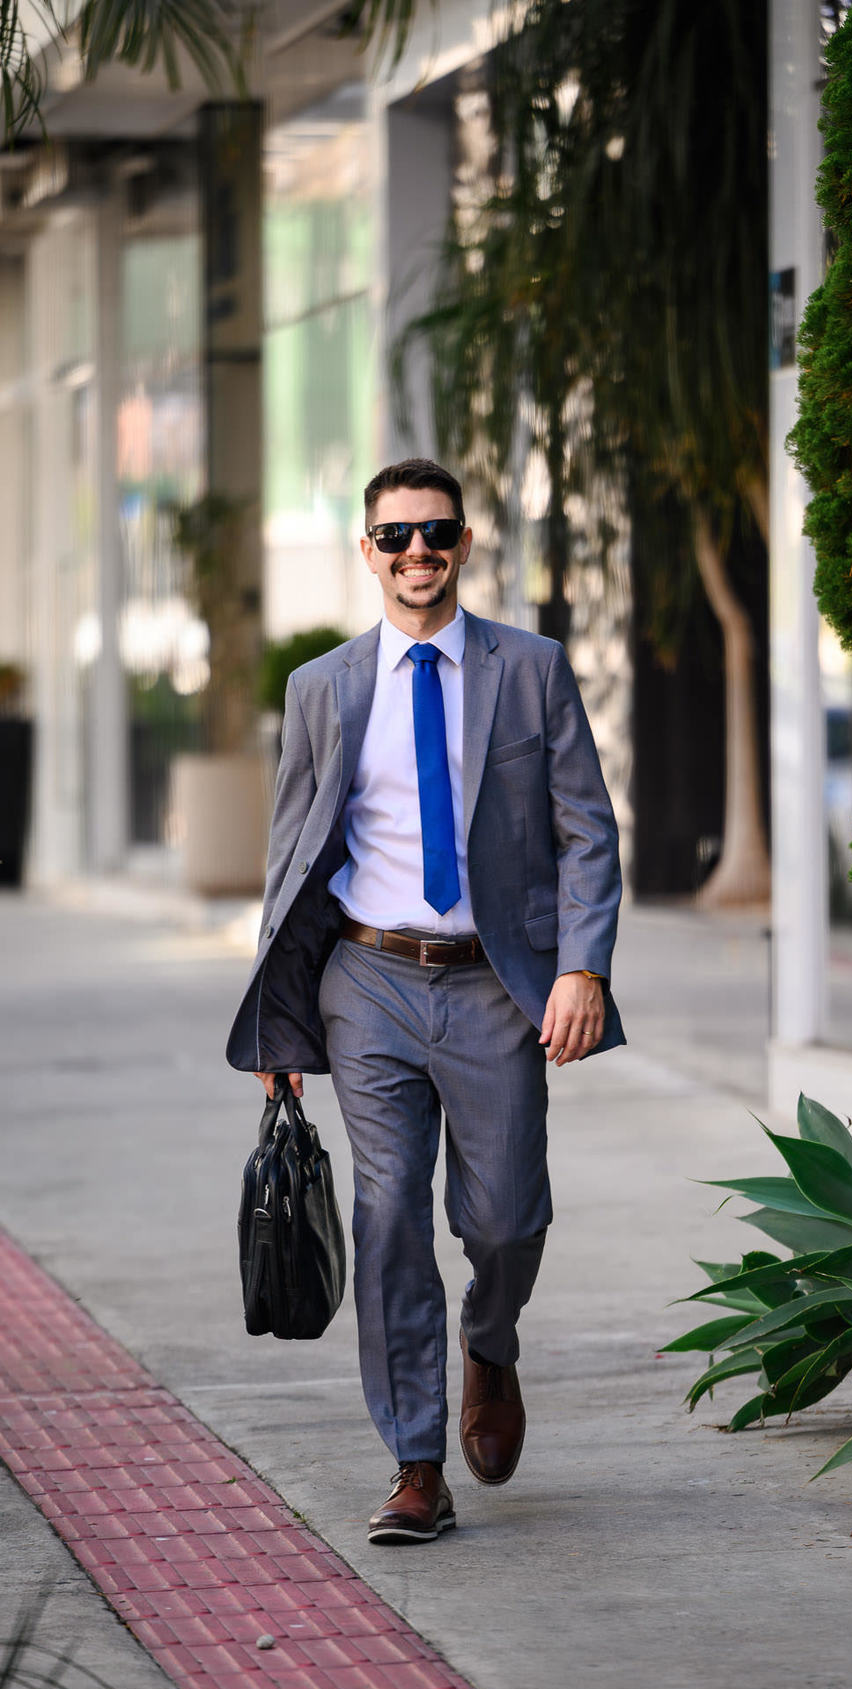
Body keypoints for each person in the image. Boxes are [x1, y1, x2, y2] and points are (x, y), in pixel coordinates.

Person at [226, 457, 623, 1543]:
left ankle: (489, 1346)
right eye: (395, 538)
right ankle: (415, 1463)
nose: (417, 554)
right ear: (368, 552)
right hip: (367, 982)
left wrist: (581, 966)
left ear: (463, 543)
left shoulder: (531, 670)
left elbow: (586, 827)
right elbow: (292, 857)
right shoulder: (322, 689)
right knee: (389, 1211)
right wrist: (282, 1015)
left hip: (496, 986)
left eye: (436, 533)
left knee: (503, 1220)